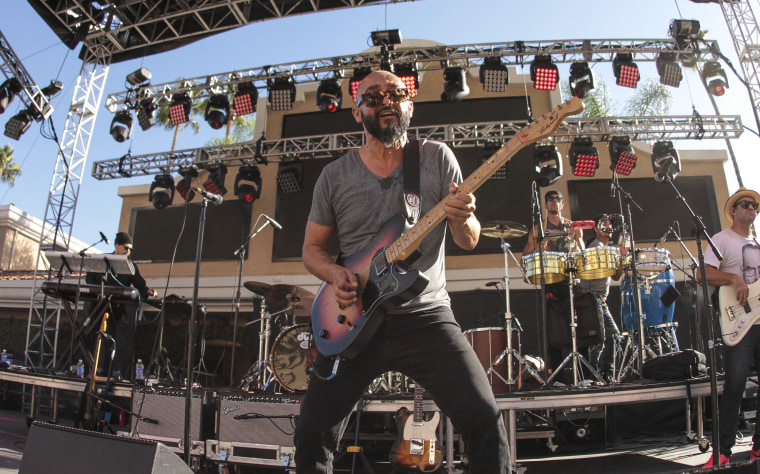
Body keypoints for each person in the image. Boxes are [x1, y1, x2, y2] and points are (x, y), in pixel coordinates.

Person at [294, 70, 510, 473]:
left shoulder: (436, 158)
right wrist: (334, 275)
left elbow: (469, 240)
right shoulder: (334, 176)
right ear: (357, 113)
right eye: (372, 96)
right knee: (311, 435)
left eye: (396, 93)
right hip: (354, 321)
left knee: (485, 421)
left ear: (409, 105)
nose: (386, 100)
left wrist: (464, 217)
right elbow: (311, 250)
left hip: (426, 316)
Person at [698, 187, 760, 468]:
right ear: (734, 211)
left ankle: (758, 448)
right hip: (739, 321)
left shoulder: (758, 243)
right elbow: (702, 272)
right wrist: (733, 279)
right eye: (745, 204)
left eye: (755, 206)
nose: (751, 208)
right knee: (735, 385)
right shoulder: (722, 239)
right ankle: (722, 450)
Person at [85, 232, 157, 380]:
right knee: (93, 337)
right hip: (98, 306)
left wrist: (147, 291)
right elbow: (89, 278)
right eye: (125, 248)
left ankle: (107, 372)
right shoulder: (103, 260)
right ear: (117, 245)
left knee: (110, 339)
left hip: (116, 309)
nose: (128, 251)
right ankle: (90, 369)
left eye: (130, 249)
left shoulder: (130, 265)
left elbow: (139, 283)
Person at [578, 214, 625, 383]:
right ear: (596, 229)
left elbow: (616, 276)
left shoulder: (607, 249)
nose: (609, 227)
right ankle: (597, 375)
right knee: (604, 339)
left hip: (599, 300)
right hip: (593, 299)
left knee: (609, 338)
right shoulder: (595, 247)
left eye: (610, 225)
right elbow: (586, 276)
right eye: (605, 225)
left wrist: (620, 257)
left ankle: (603, 374)